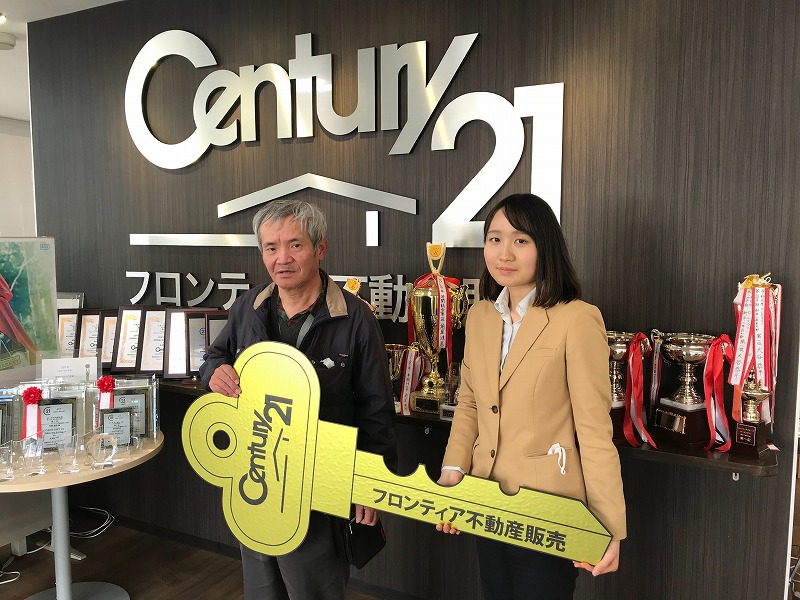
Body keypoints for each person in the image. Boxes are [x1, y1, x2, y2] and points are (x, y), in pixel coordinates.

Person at [200, 199, 398, 600]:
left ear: (320, 248)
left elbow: (376, 408)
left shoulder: (355, 318)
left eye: (295, 245)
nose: (282, 259)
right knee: (261, 589)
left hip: (320, 483)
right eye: (271, 248)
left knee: (313, 589)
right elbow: (214, 356)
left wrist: (370, 482)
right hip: (256, 474)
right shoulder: (249, 307)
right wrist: (213, 373)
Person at [436, 193, 625, 600]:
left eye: (520, 240)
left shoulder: (577, 318)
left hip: (549, 508)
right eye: (494, 239)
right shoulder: (480, 316)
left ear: (545, 247)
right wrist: (453, 472)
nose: (504, 253)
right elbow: (470, 403)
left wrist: (609, 526)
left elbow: (594, 430)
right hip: (486, 498)